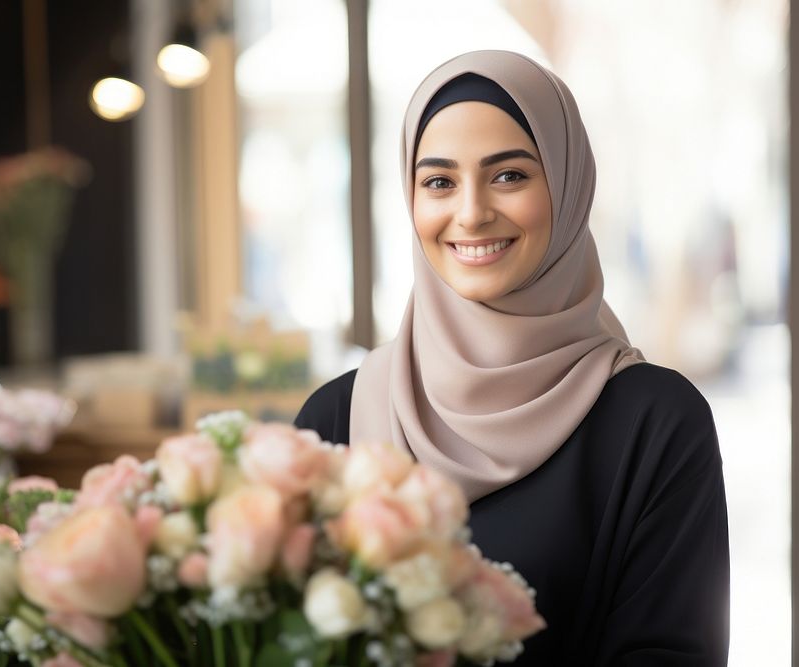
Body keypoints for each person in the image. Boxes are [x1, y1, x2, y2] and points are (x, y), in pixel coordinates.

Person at [295, 50, 729, 665]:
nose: (470, 213)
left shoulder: (655, 422)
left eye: (509, 176)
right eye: (439, 182)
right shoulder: (334, 419)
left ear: (568, 187)